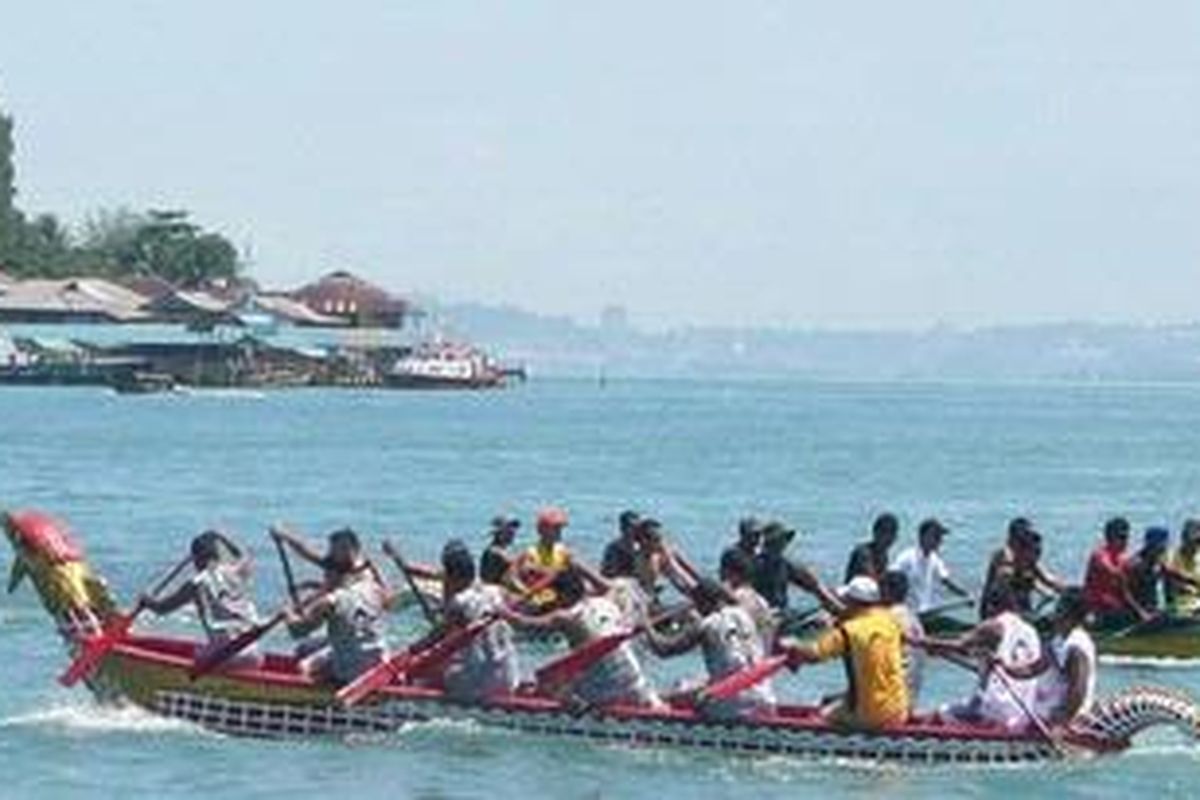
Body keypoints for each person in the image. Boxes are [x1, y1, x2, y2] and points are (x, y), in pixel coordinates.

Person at [503, 566, 662, 708]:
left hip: (608, 687)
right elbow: (602, 585)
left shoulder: (565, 616)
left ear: (563, 595)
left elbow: (521, 624)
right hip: (637, 681)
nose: (554, 601)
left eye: (554, 595)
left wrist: (501, 610)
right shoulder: (606, 601)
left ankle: (570, 713)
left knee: (549, 685)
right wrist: (574, 567)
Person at [784, 576, 909, 730]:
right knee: (835, 701)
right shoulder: (890, 621)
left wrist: (792, 646)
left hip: (871, 715)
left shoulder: (848, 631)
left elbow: (813, 655)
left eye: (846, 601)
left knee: (820, 717)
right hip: (899, 708)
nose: (844, 604)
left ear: (853, 603)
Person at [645, 577, 776, 720]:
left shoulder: (707, 625)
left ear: (705, 602)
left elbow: (662, 649)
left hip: (734, 707)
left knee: (681, 691)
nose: (698, 610)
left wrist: (645, 623)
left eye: (699, 605)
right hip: (767, 701)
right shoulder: (746, 615)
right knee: (694, 689)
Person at [926, 584, 1042, 732]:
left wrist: (916, 641)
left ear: (991, 606)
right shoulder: (1031, 631)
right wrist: (942, 651)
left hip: (996, 710)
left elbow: (960, 645)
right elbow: (976, 659)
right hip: (1024, 712)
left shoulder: (995, 625)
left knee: (939, 714)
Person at [285, 532, 391, 686]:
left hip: (351, 668)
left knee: (304, 664)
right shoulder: (375, 588)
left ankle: (315, 701)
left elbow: (297, 631)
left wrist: (287, 613)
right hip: (379, 660)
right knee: (308, 647)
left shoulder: (330, 600)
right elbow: (387, 602)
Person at [139, 530, 260, 663]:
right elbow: (240, 553)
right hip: (254, 654)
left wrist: (146, 601)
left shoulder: (196, 584)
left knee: (196, 655)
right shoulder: (238, 572)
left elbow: (162, 608)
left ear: (196, 559)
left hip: (228, 656)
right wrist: (220, 536)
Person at [1001, 588, 1096, 727]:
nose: (1055, 613)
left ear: (1068, 614)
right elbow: (1034, 668)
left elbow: (1078, 689)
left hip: (1067, 715)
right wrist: (1005, 668)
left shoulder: (1076, 646)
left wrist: (1062, 720)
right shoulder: (1058, 639)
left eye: (1059, 608)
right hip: (1048, 708)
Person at [440, 540, 519, 701]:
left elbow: (440, 641)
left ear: (450, 577)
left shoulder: (459, 602)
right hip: (511, 680)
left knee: (442, 672)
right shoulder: (498, 591)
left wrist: (412, 650)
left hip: (483, 686)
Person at [752, 521, 841, 620]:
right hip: (760, 616)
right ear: (771, 542)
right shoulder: (754, 564)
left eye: (785, 540)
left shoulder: (785, 564)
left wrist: (836, 606)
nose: (784, 544)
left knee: (822, 619)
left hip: (782, 613)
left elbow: (814, 586)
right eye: (781, 540)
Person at [890, 518, 971, 614]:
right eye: (936, 537)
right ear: (922, 537)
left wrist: (965, 594)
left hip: (929, 611)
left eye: (940, 537)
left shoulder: (935, 560)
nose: (940, 541)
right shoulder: (906, 558)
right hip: (910, 613)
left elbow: (947, 581)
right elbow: (890, 578)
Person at [1083, 517, 1152, 627]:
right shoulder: (1099, 555)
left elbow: (1125, 590)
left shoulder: (1122, 558)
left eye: (1126, 537)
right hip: (1097, 609)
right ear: (1109, 538)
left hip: (1115, 606)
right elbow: (1114, 572)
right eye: (1121, 537)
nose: (1126, 542)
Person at [985, 526, 1064, 618]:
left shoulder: (1031, 564)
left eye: (1039, 551)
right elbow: (1008, 600)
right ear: (1020, 550)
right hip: (1002, 617)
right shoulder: (1005, 570)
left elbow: (1049, 580)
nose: (1038, 555)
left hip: (1024, 613)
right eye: (1035, 551)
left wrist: (1069, 592)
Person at [880, 570, 925, 706]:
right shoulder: (915, 620)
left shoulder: (886, 618)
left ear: (888, 591)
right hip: (910, 702)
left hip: (889, 702)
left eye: (881, 589)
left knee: (827, 703)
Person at [720, 548, 775, 648]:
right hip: (763, 654)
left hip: (747, 658)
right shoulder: (760, 600)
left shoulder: (736, 599)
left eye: (722, 569)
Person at [980, 517, 1032, 617]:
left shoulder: (1027, 555)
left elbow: (1046, 578)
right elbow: (1004, 580)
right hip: (1002, 611)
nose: (1029, 538)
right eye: (1026, 534)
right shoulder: (1003, 555)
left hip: (1022, 610)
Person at [1125, 527, 1171, 616]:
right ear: (1151, 545)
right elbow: (1126, 594)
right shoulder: (1135, 564)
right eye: (1161, 546)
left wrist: (1170, 607)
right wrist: (1141, 612)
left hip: (1153, 609)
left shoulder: (1159, 563)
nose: (1164, 549)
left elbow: (1169, 581)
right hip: (1135, 611)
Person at [844, 513, 899, 583]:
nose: (888, 537)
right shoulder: (863, 552)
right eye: (884, 532)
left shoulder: (883, 555)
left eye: (892, 533)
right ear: (875, 532)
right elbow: (871, 578)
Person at [1165, 520, 1200, 615]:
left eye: (1198, 542)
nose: (1196, 546)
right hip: (1180, 605)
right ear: (1183, 538)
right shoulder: (1171, 556)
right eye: (1193, 541)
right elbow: (1170, 575)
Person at [479, 515, 523, 590]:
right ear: (499, 533)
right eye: (509, 532)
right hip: (492, 591)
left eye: (513, 531)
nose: (513, 534)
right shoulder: (494, 551)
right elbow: (513, 562)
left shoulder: (503, 550)